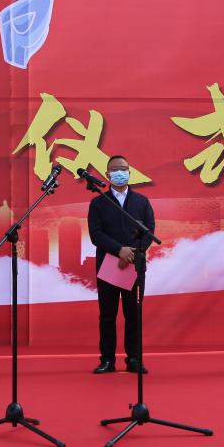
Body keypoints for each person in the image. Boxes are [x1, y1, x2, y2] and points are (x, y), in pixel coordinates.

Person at [88, 154, 155, 375]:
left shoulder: (141, 202)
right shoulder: (99, 202)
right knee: (107, 315)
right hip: (108, 265)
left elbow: (149, 231)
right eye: (115, 169)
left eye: (123, 169)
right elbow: (96, 234)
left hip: (134, 265)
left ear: (129, 172)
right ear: (108, 175)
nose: (119, 173)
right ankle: (107, 360)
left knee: (133, 314)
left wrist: (132, 253)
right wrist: (119, 250)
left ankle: (134, 358)